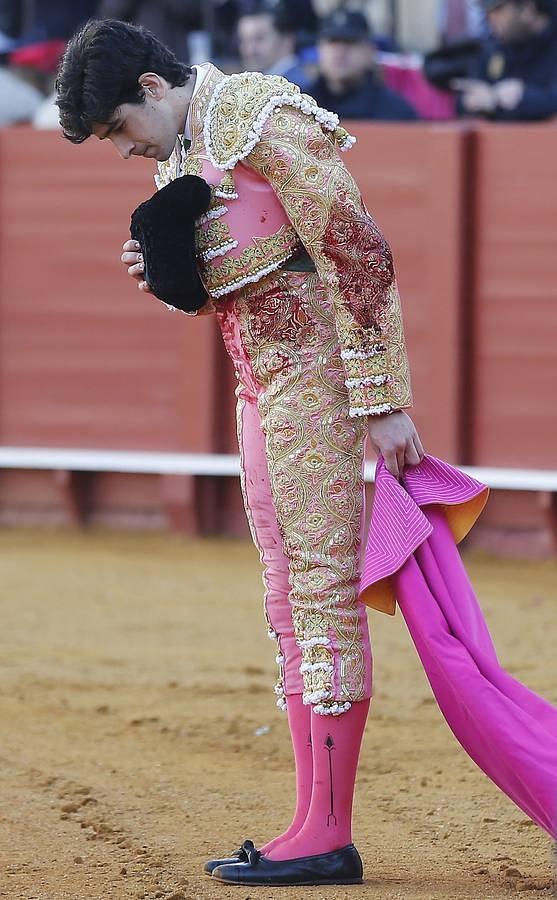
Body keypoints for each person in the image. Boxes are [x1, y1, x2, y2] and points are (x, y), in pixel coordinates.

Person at [55, 18, 424, 887]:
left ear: (152, 87)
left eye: (118, 128)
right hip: (259, 385)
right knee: (287, 596)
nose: (123, 149)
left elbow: (354, 250)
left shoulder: (261, 116)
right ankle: (309, 820)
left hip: (318, 382)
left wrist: (380, 401)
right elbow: (247, 273)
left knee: (321, 592)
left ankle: (327, 831)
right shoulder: (185, 150)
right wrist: (167, 276)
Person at [452, 0, 557, 120]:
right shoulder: (496, 46)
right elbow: (467, 95)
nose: (489, 18)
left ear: (528, 9)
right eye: (487, 11)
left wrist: (523, 98)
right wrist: (471, 100)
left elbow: (552, 101)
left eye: (498, 9)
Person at [307, 10, 419, 122]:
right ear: (319, 49)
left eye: (350, 42)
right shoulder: (302, 106)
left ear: (371, 51)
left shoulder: (396, 112)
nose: (340, 51)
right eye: (333, 42)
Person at [237, 4, 311, 89]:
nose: (249, 50)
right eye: (243, 41)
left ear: (287, 40)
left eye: (259, 38)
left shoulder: (300, 88)